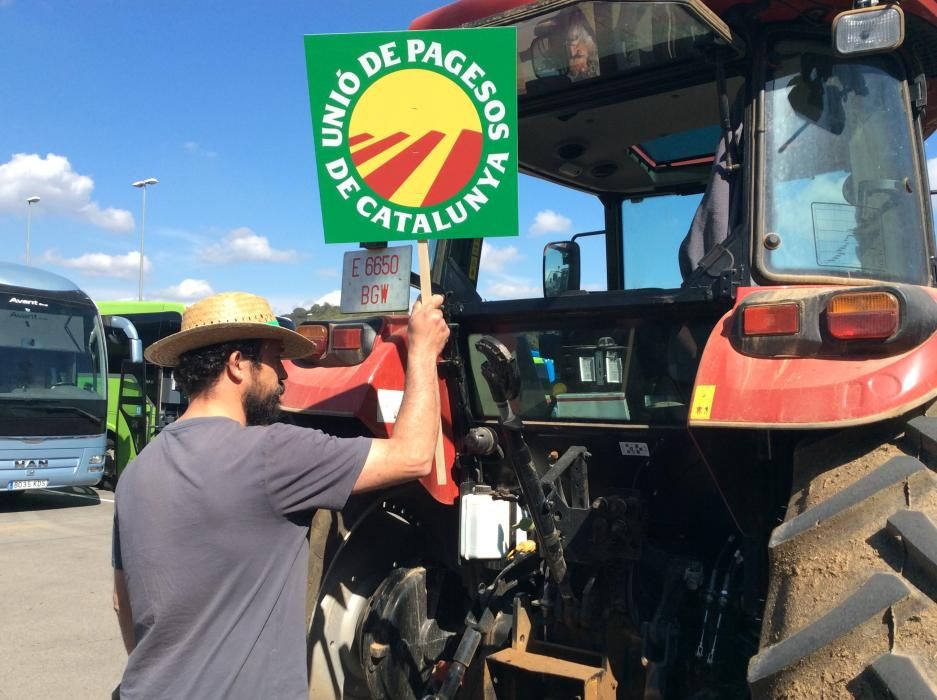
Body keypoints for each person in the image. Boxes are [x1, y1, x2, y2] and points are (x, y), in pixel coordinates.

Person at [111, 290, 449, 699]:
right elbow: (412, 456)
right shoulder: (271, 453)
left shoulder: (136, 471)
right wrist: (422, 351)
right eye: (274, 361)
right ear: (238, 365)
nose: (284, 377)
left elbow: (122, 601)